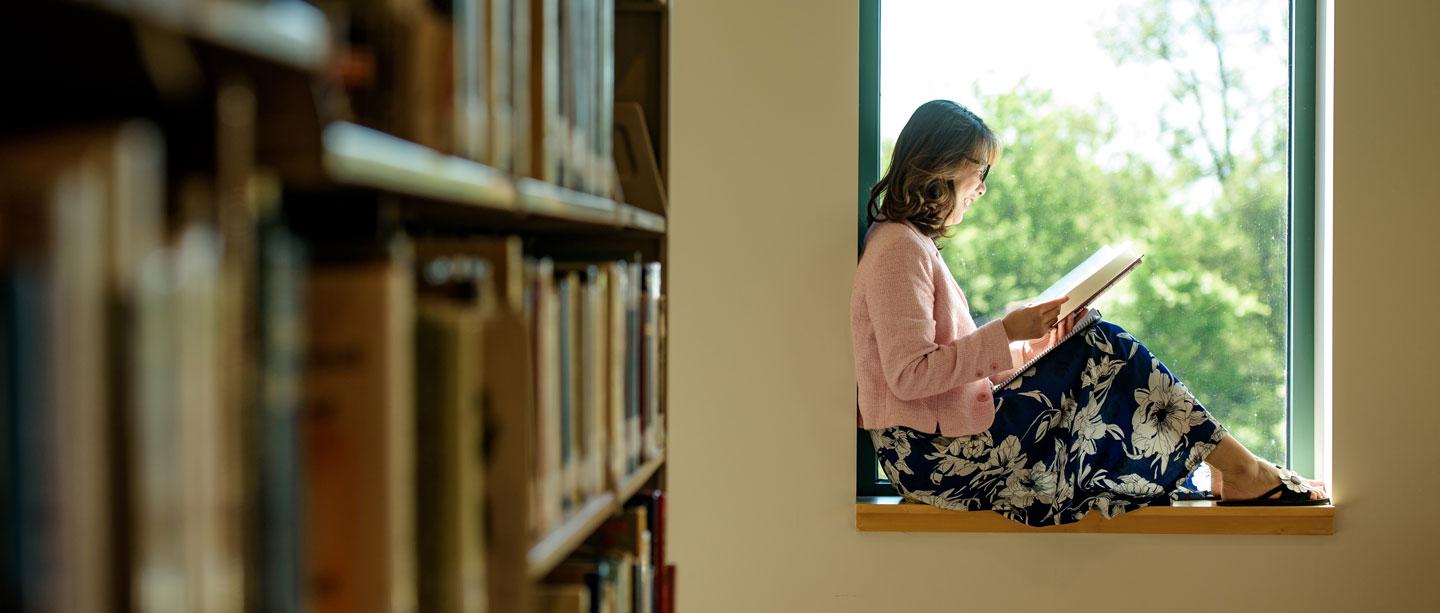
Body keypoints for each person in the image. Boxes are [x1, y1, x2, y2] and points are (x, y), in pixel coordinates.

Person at [850, 99, 1328, 527]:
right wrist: (1005, 331)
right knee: (1106, 346)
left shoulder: (908, 244)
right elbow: (909, 376)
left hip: (943, 446)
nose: (982, 189)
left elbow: (949, 377)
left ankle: (1232, 465)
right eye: (981, 172)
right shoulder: (898, 247)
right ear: (944, 167)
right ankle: (1241, 468)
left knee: (1090, 340)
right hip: (932, 458)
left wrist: (1032, 345)